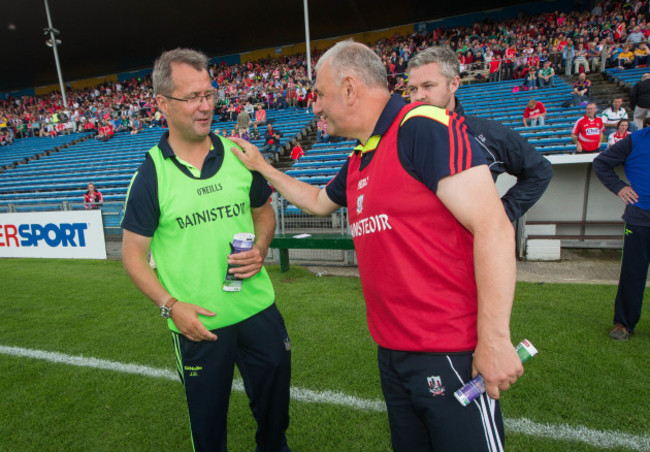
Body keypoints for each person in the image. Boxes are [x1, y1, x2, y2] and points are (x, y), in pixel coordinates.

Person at [230, 41, 523, 452]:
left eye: (319, 93)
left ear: (349, 88)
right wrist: (263, 167)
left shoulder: (422, 126)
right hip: (393, 352)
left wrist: (494, 339)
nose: (314, 107)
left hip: (450, 353)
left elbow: (493, 228)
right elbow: (317, 202)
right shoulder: (361, 154)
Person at [120, 48, 291, 452]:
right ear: (162, 103)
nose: (205, 106)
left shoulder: (238, 154)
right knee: (209, 427)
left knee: (275, 417)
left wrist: (262, 246)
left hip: (258, 309)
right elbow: (132, 256)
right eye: (192, 97)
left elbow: (263, 213)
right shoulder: (150, 176)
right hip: (196, 324)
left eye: (210, 95)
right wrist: (170, 306)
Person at [406, 46, 553, 222]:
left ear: (454, 84)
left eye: (428, 86)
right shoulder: (399, 137)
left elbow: (540, 171)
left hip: (466, 248)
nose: (418, 96)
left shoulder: (486, 134)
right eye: (413, 89)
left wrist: (500, 216)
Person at [593, 117, 650, 341]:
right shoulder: (634, 141)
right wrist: (619, 187)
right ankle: (623, 324)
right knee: (633, 274)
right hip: (639, 220)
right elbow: (601, 163)